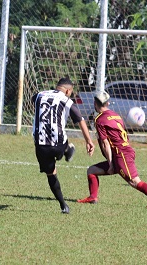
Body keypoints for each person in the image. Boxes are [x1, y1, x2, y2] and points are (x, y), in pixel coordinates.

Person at [77, 90, 147, 209]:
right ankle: (92, 197)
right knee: (92, 170)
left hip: (121, 154)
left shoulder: (99, 119)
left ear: (95, 103)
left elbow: (105, 143)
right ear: (108, 103)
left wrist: (111, 164)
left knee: (134, 182)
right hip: (123, 152)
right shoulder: (116, 115)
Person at [32, 77, 95, 214]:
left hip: (40, 145)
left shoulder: (39, 95)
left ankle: (63, 206)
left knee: (51, 174)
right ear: (67, 90)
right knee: (63, 146)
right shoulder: (66, 100)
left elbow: (34, 101)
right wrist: (89, 141)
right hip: (58, 143)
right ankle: (68, 150)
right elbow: (80, 119)